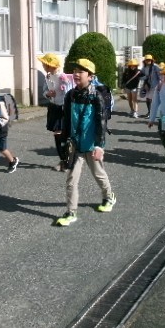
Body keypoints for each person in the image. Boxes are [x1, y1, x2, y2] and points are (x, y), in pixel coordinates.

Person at [56, 59, 116, 226]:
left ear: (90, 76)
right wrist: (64, 144)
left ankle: (108, 196)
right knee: (71, 180)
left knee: (98, 174)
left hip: (91, 145)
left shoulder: (96, 96)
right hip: (75, 146)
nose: (76, 74)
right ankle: (71, 212)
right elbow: (67, 121)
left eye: (81, 71)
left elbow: (101, 122)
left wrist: (99, 146)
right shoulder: (70, 95)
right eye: (75, 70)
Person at [39, 53, 72, 171]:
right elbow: (45, 91)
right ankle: (63, 160)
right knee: (57, 135)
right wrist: (48, 94)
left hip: (64, 109)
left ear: (51, 65)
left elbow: (70, 93)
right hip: (54, 107)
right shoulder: (48, 77)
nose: (43, 66)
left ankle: (68, 160)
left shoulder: (63, 77)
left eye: (44, 64)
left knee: (64, 135)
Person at [140, 54, 161, 118]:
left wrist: (160, 84)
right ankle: (149, 112)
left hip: (155, 85)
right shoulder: (144, 67)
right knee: (147, 99)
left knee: (152, 100)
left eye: (149, 60)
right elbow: (141, 76)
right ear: (145, 61)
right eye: (147, 60)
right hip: (147, 86)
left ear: (152, 60)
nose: (148, 61)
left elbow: (160, 76)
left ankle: (152, 113)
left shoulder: (155, 67)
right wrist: (145, 80)